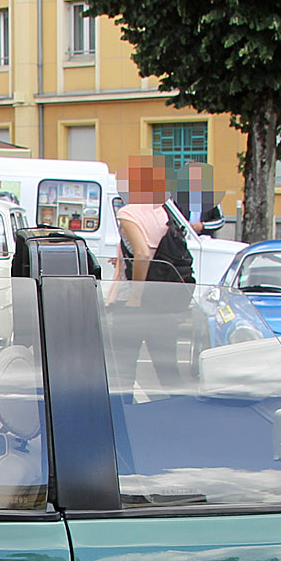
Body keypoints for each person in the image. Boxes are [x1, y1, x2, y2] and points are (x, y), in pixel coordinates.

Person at [108, 156, 191, 389]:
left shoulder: (128, 213)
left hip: (136, 307)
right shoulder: (162, 213)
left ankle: (124, 421)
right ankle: (181, 417)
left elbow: (143, 253)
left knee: (123, 372)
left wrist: (135, 296)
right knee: (168, 372)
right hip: (163, 304)